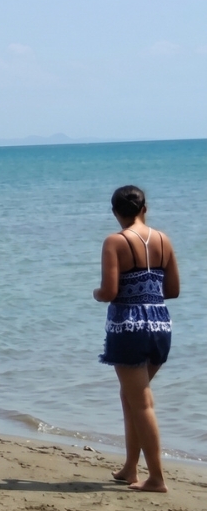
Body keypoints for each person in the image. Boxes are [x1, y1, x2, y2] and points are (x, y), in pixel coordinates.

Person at [94, 185, 180, 493]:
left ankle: (156, 478)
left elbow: (109, 292)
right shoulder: (163, 240)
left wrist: (95, 293)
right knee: (131, 396)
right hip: (160, 326)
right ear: (145, 208)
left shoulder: (114, 242)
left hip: (129, 328)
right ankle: (130, 468)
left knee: (141, 402)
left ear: (116, 212)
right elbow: (172, 290)